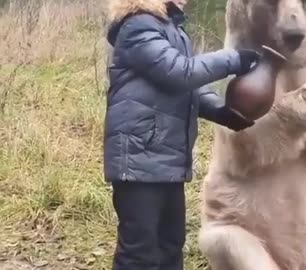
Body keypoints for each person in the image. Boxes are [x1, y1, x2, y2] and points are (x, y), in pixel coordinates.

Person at [103, 0, 260, 269]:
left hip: (166, 157)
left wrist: (221, 112)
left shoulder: (171, 28)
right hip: (139, 158)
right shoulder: (138, 25)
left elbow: (187, 88)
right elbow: (179, 72)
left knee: (170, 246)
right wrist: (234, 59)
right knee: (139, 252)